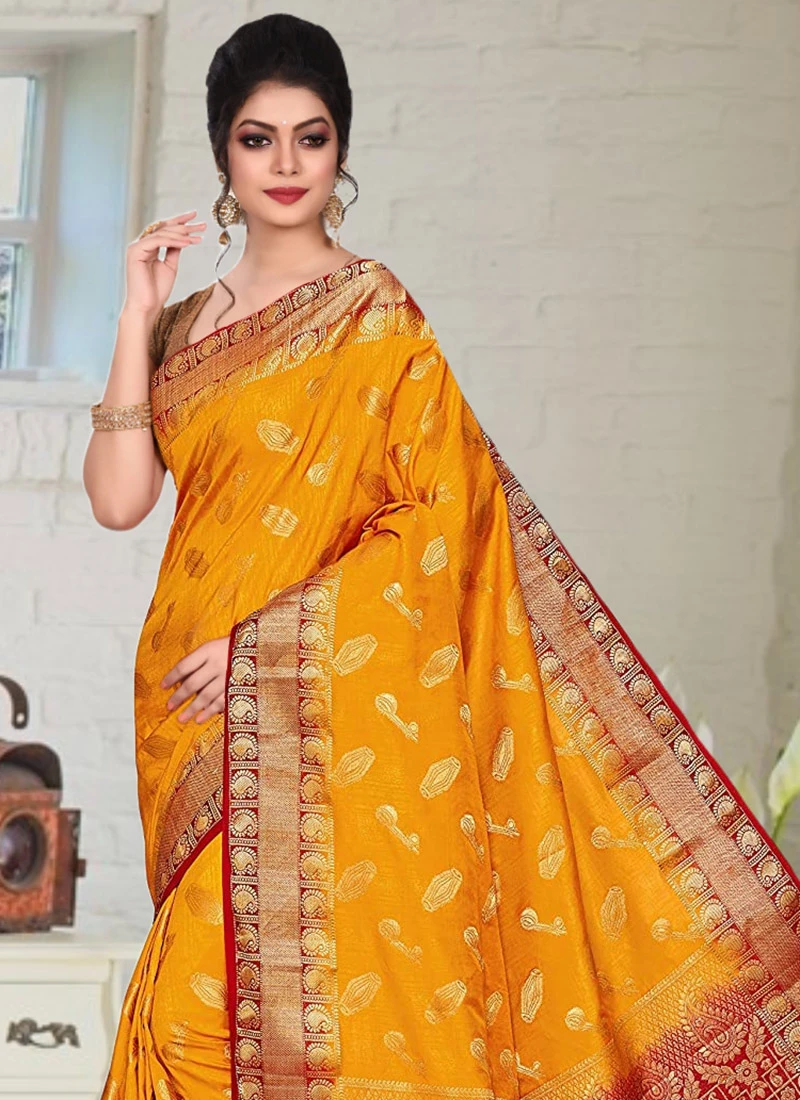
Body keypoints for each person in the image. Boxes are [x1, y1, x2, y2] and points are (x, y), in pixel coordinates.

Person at [84, 13, 800, 1100]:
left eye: (311, 137)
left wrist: (263, 651)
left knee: (219, 1018)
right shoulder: (178, 326)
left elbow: (439, 523)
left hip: (304, 700)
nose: (286, 164)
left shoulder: (374, 316)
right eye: (258, 139)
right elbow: (119, 499)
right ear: (222, 152)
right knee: (215, 1026)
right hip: (183, 709)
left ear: (341, 148)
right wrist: (133, 312)